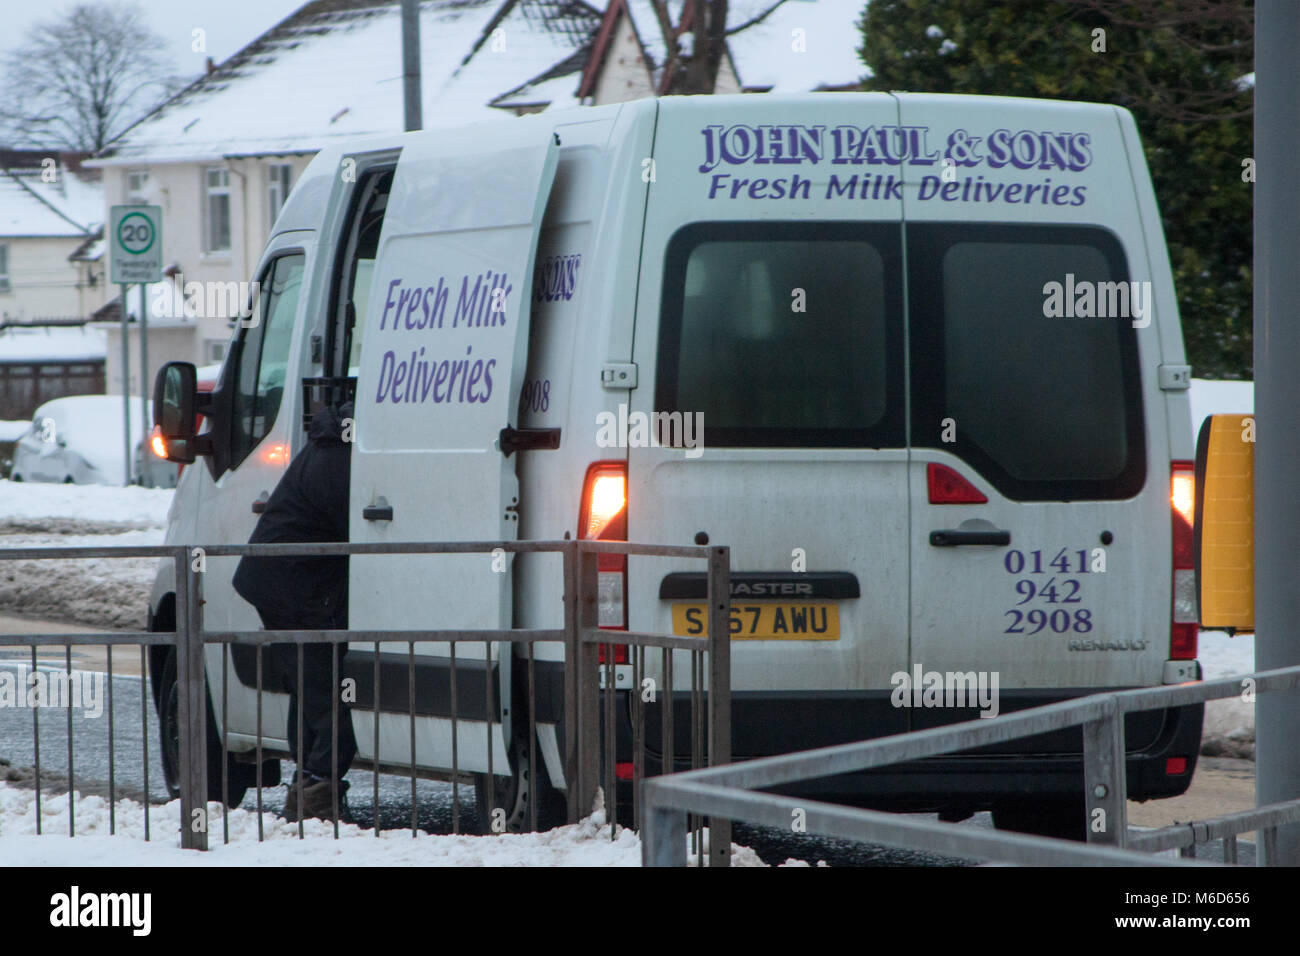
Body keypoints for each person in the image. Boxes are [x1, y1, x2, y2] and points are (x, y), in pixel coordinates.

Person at [232, 400, 356, 823]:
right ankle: (315, 795)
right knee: (330, 691)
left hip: (279, 582)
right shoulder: (341, 461)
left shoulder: (327, 448)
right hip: (295, 586)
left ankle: (307, 788)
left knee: (311, 686)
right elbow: (355, 524)